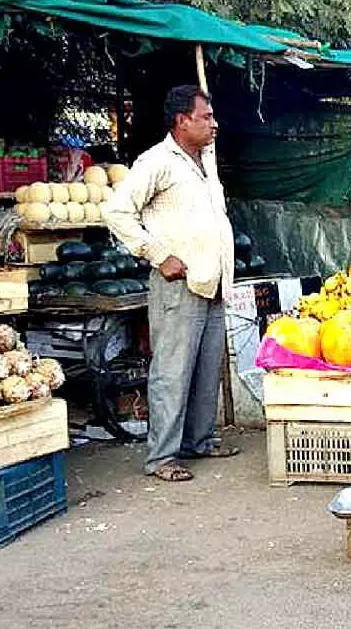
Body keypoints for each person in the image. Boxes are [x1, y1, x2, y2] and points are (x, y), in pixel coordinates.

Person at [105, 86, 238, 482]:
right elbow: (117, 212)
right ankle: (162, 456)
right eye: (205, 117)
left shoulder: (206, 161)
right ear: (182, 121)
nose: (214, 124)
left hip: (210, 280)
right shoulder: (157, 162)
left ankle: (199, 440)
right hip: (178, 284)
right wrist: (158, 255)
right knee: (172, 371)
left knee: (206, 369)